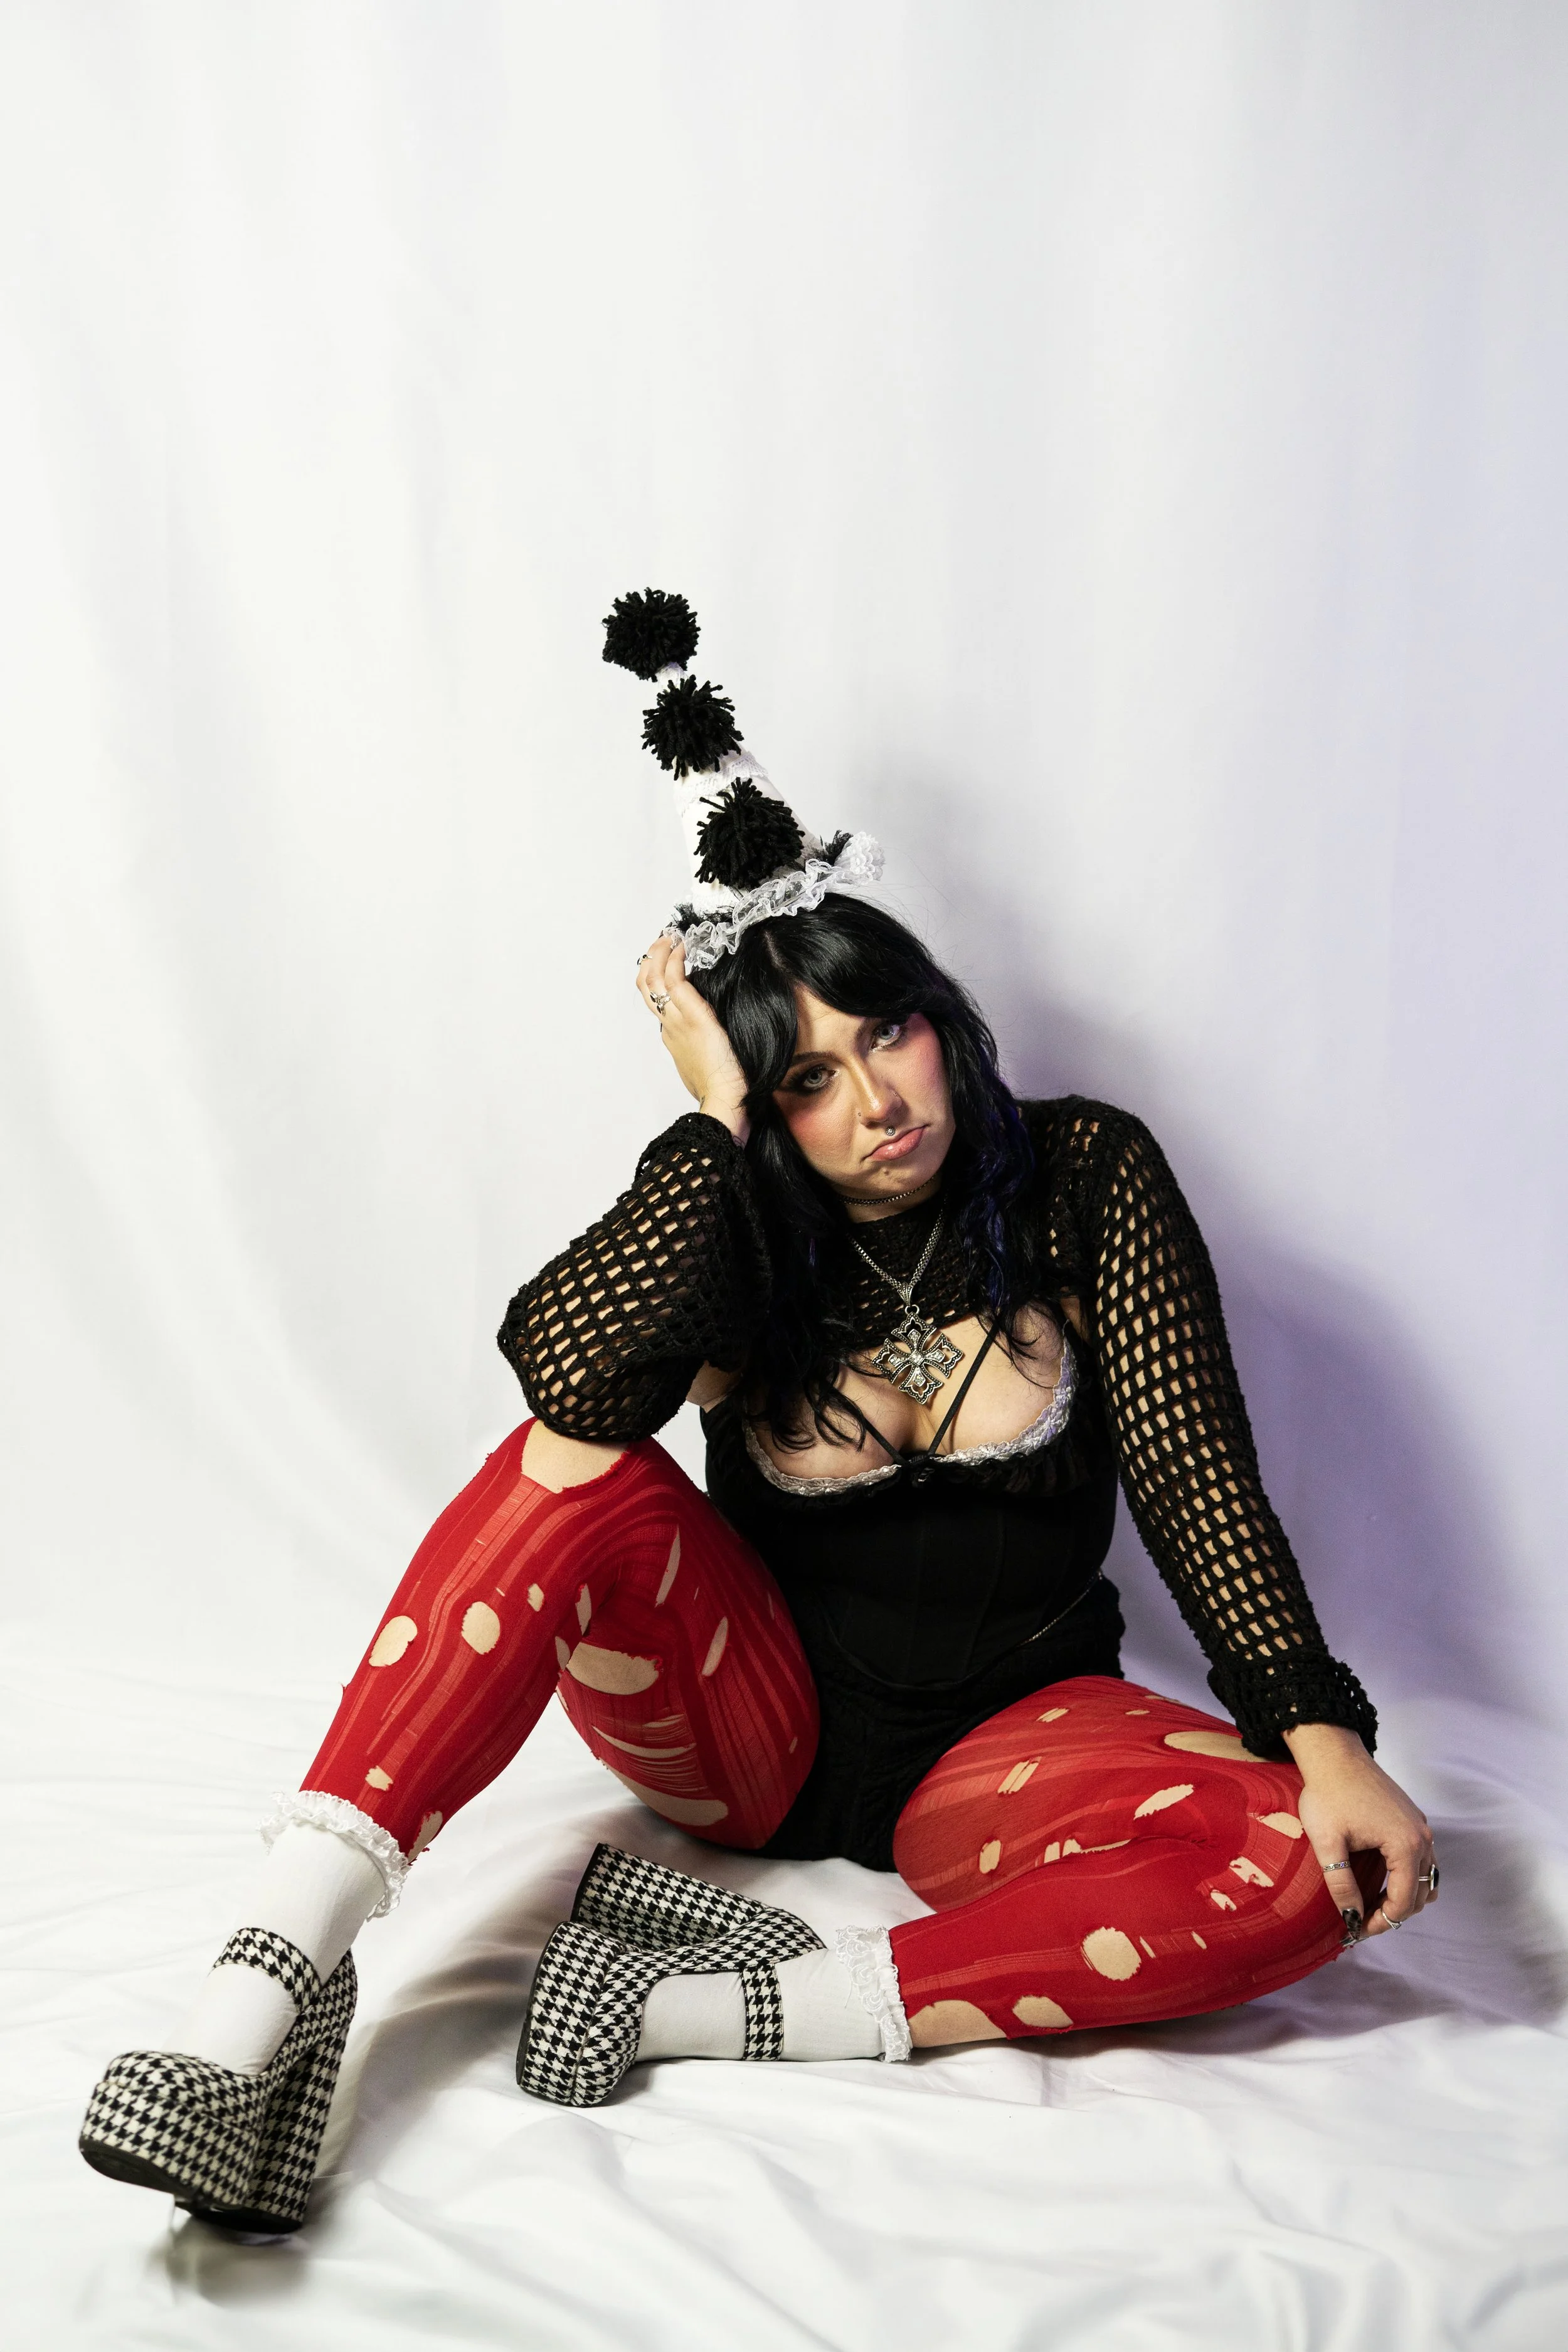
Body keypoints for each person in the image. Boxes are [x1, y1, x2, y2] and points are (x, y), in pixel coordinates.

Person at [79, 593, 1436, 2235]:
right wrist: (713, 1132)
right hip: (749, 1734)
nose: (874, 1098)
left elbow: (1194, 1474)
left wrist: (1324, 1738)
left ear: (944, 1017)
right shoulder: (740, 1211)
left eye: (891, 1031)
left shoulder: (1084, 1177)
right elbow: (570, 1385)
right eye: (806, 1076)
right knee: (565, 1467)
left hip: (1012, 1739)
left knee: (1299, 1868)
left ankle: (693, 1992)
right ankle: (257, 2005)